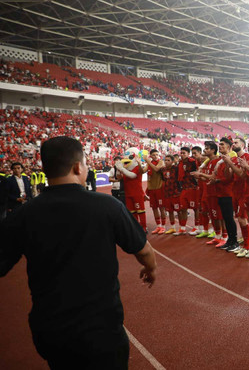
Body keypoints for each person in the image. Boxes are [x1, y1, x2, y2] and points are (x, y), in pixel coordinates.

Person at [0, 136, 157, 369]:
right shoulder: (108, 206)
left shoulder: (23, 214)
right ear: (77, 167)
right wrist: (150, 267)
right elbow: (143, 250)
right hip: (101, 326)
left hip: (50, 326)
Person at [226, 138, 249, 249]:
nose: (233, 144)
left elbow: (242, 175)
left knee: (243, 219)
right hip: (235, 191)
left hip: (244, 192)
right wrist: (228, 165)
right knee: (239, 218)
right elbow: (228, 177)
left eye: (236, 142)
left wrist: (231, 164)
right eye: (233, 143)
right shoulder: (234, 159)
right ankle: (245, 242)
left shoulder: (247, 157)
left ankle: (247, 246)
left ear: (242, 144)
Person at [115, 153, 148, 234]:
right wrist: (118, 169)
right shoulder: (126, 170)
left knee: (140, 210)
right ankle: (136, 227)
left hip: (137, 193)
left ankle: (144, 227)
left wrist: (122, 169)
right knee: (132, 212)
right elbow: (119, 178)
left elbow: (132, 176)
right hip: (128, 193)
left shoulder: (137, 168)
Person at [176, 146, 198, 235]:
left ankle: (196, 227)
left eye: (184, 153)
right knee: (183, 208)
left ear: (188, 154)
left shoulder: (193, 162)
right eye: (181, 153)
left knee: (195, 208)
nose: (182, 154)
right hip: (184, 188)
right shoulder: (180, 163)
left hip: (192, 188)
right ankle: (182, 228)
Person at [144, 149, 166, 235]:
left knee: (161, 208)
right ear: (151, 156)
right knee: (154, 208)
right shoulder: (149, 163)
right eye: (154, 155)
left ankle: (163, 227)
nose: (156, 156)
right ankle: (158, 226)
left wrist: (148, 161)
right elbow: (142, 171)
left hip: (159, 188)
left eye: (157, 154)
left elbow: (156, 169)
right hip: (151, 188)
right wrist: (138, 162)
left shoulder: (161, 162)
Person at [160, 154, 180, 234]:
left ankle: (182, 227)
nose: (167, 162)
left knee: (179, 211)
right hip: (167, 193)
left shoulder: (176, 168)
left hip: (175, 193)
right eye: (166, 160)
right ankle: (173, 228)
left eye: (168, 160)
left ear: (172, 161)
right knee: (170, 211)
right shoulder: (163, 169)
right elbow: (163, 179)